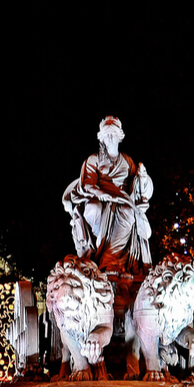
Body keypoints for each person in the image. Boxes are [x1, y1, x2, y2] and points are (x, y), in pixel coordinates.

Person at [63, 116, 153, 275]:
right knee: (92, 208)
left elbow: (137, 187)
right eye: (106, 134)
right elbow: (87, 184)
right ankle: (103, 253)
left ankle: (108, 261)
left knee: (127, 211)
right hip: (99, 199)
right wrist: (103, 194)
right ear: (101, 138)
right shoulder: (93, 160)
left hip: (122, 201)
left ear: (120, 137)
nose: (110, 137)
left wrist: (143, 177)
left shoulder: (127, 161)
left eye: (113, 133)